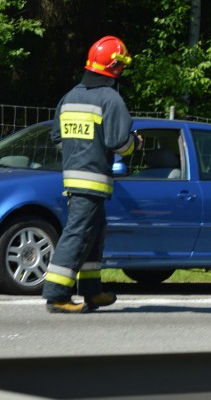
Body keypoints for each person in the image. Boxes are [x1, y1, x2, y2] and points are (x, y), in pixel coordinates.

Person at [43, 36, 141, 313]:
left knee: (94, 234)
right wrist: (136, 143)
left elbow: (58, 138)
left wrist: (81, 150)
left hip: (73, 178)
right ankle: (57, 295)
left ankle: (91, 290)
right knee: (77, 234)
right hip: (93, 179)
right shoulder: (110, 99)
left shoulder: (69, 96)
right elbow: (119, 143)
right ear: (115, 66)